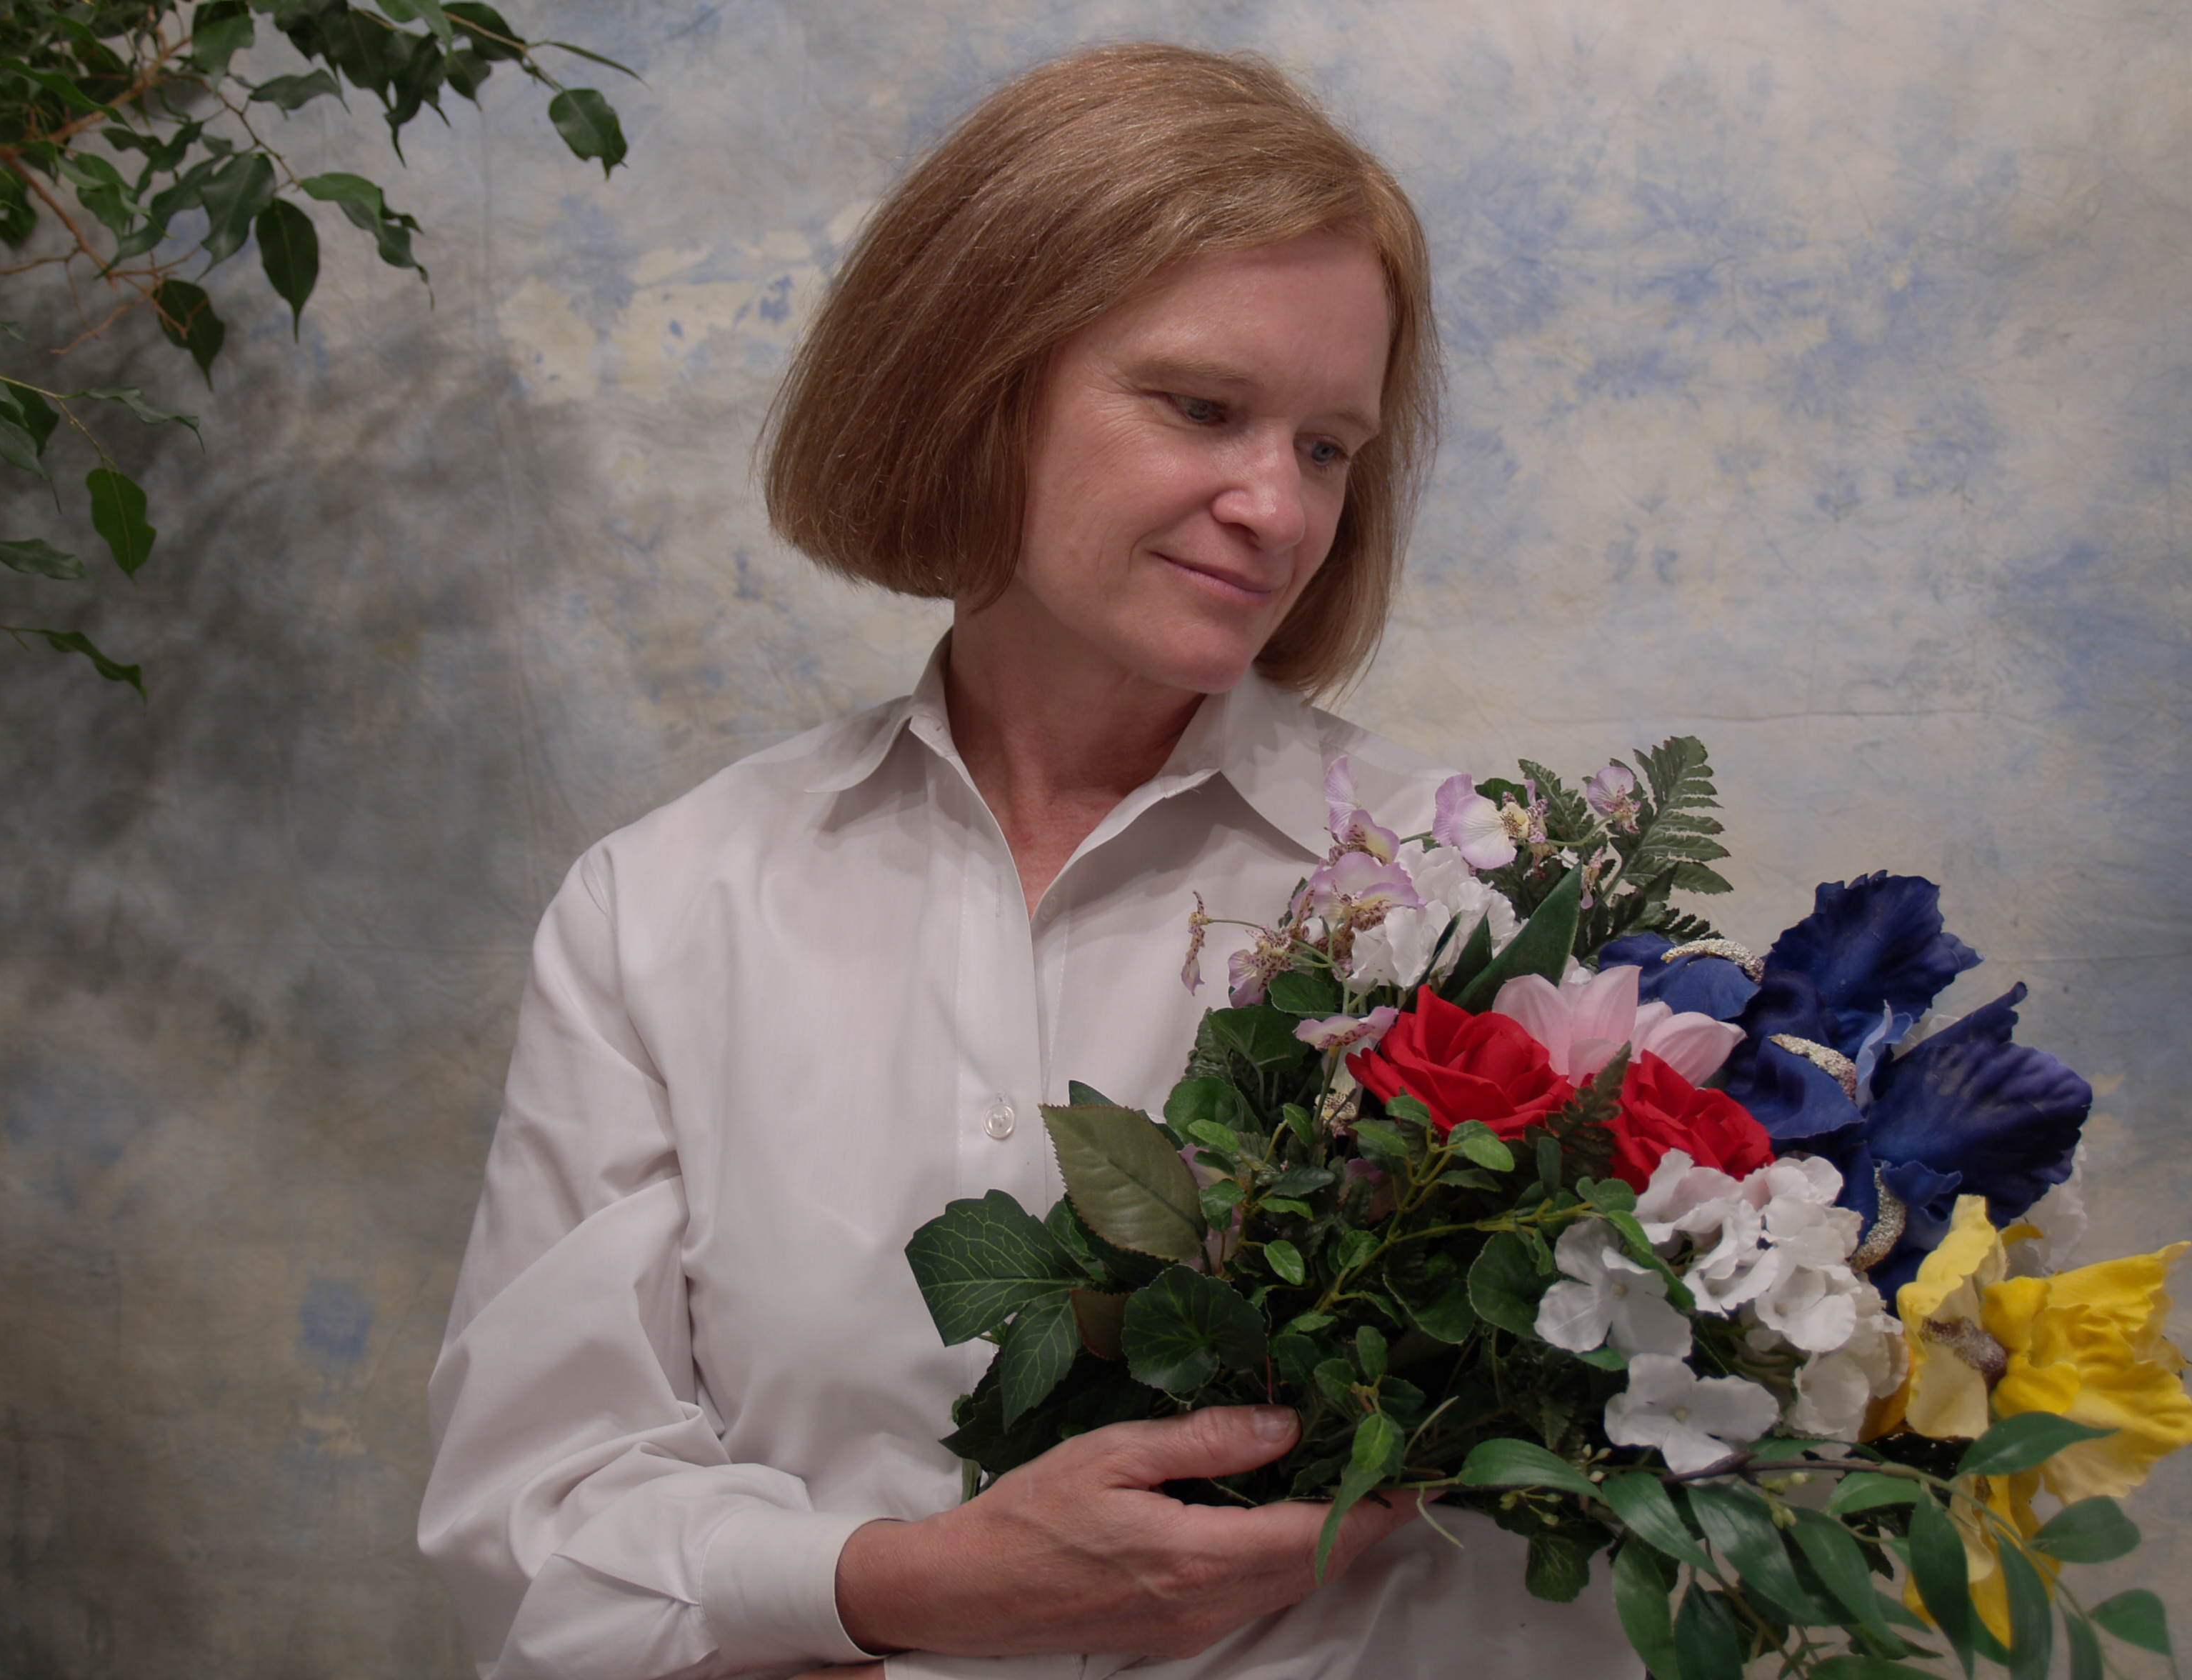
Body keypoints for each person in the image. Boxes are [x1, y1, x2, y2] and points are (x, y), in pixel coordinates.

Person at [419, 43, 1641, 1680]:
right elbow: (536, 1539)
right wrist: (904, 1586)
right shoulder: (663, 913)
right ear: (972, 382)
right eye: (1200, 408)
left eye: (1326, 447)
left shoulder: (1478, 907)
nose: (1277, 510)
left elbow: (1561, 1537)